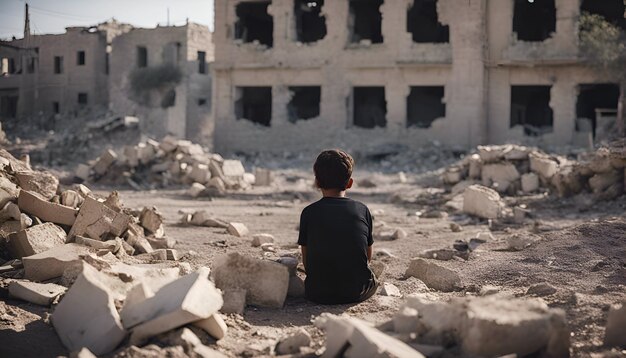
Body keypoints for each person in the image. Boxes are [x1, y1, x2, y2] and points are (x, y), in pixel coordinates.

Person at [297, 149, 378, 304]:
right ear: (350, 183)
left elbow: (307, 263)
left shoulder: (308, 213)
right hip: (356, 291)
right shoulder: (362, 210)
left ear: (317, 182)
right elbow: (367, 257)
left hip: (317, 293)